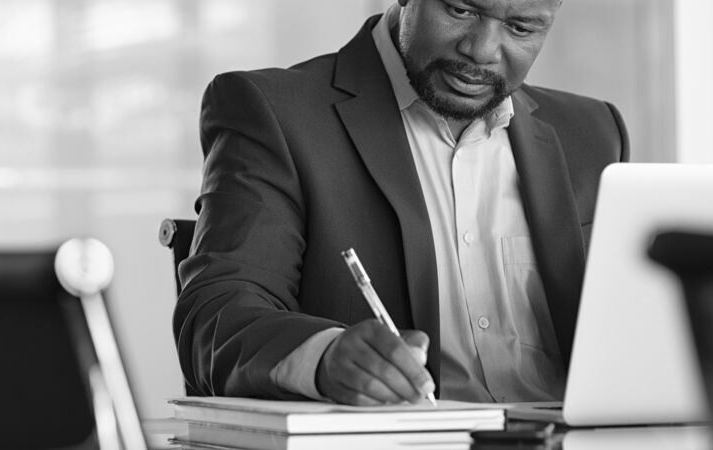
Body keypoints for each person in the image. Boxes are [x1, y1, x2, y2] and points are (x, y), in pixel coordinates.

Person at [173, 0, 628, 406]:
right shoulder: (275, 113)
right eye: (461, 10)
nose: (483, 50)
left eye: (522, 28)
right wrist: (324, 356)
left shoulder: (591, 133)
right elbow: (217, 316)